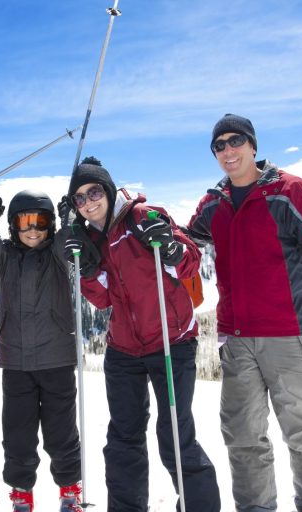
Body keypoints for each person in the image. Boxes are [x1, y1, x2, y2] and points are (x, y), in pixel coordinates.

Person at [185, 114, 302, 512]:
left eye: (235, 141)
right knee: (243, 436)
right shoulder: (215, 203)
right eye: (219, 146)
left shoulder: (288, 191)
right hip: (236, 338)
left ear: (253, 145)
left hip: (287, 333)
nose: (228, 151)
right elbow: (187, 243)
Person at [64, 157, 221, 512]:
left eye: (93, 192)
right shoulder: (89, 239)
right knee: (123, 438)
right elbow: (103, 299)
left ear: (106, 189)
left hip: (172, 340)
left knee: (175, 434)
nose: (89, 202)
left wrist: (169, 247)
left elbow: (190, 260)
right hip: (123, 350)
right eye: (79, 199)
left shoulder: (143, 216)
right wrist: (86, 270)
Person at [0, 190, 82, 512]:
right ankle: (21, 492)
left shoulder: (58, 252)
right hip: (16, 363)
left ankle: (70, 489)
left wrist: (69, 212)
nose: (33, 229)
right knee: (17, 434)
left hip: (56, 360)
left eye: (42, 221)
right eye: (25, 222)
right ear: (13, 225)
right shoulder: (5, 256)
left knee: (60, 433)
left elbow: (73, 234)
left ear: (51, 225)